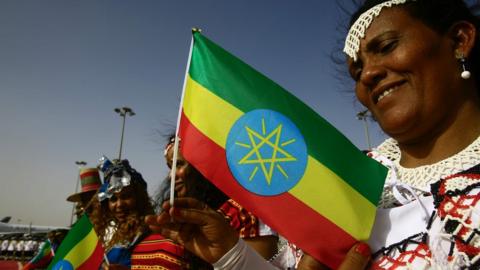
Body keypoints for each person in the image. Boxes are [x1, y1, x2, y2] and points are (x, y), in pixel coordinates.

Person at [146, 0, 480, 269]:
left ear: (460, 40)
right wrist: (233, 254)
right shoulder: (345, 177)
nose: (369, 74)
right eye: (357, 69)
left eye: (388, 46)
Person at [162, 136, 281, 262]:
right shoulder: (182, 223)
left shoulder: (245, 214)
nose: (171, 176)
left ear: (202, 165)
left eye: (179, 164)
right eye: (170, 167)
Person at [91, 159, 205, 270]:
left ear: (139, 198)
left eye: (126, 197)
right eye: (113, 199)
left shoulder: (154, 232)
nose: (119, 204)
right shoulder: (107, 237)